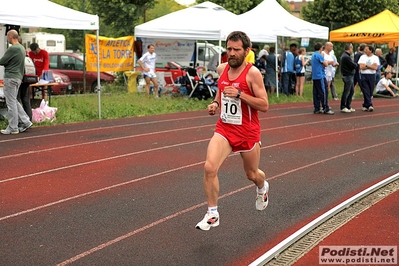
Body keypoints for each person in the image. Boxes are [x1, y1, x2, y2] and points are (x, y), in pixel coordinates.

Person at [195, 31, 269, 231]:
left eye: (237, 49)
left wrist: (240, 94)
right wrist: (215, 103)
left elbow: (264, 105)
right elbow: (221, 88)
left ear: (247, 51)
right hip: (225, 129)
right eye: (229, 49)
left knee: (252, 174)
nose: (232, 53)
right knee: (210, 167)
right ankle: (212, 214)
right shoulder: (222, 69)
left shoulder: (252, 74)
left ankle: (262, 187)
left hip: (247, 131)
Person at [0, 30, 33, 135]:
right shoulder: (22, 48)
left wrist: (7, 63)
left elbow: (2, 61)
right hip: (18, 77)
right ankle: (26, 121)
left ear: (10, 37)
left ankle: (13, 127)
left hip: (10, 77)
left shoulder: (12, 48)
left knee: (10, 103)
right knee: (14, 101)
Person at [311, 42, 334, 115]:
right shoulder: (319, 55)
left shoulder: (313, 55)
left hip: (315, 76)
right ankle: (325, 108)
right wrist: (329, 62)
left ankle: (317, 107)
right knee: (323, 92)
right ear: (321, 48)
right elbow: (325, 64)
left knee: (316, 92)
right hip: (320, 75)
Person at [358, 45, 379, 112]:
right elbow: (361, 66)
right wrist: (370, 66)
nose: (365, 50)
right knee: (365, 89)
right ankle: (370, 105)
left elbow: (375, 68)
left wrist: (366, 66)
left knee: (370, 90)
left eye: (366, 49)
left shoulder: (375, 58)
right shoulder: (362, 57)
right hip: (364, 75)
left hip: (372, 75)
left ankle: (365, 105)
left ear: (370, 50)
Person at [340, 43, 358, 113]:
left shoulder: (345, 56)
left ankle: (348, 105)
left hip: (349, 75)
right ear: (349, 48)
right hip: (348, 75)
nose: (352, 50)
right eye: (352, 48)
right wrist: (356, 65)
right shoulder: (346, 57)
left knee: (351, 91)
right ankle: (343, 106)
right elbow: (353, 65)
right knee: (347, 91)